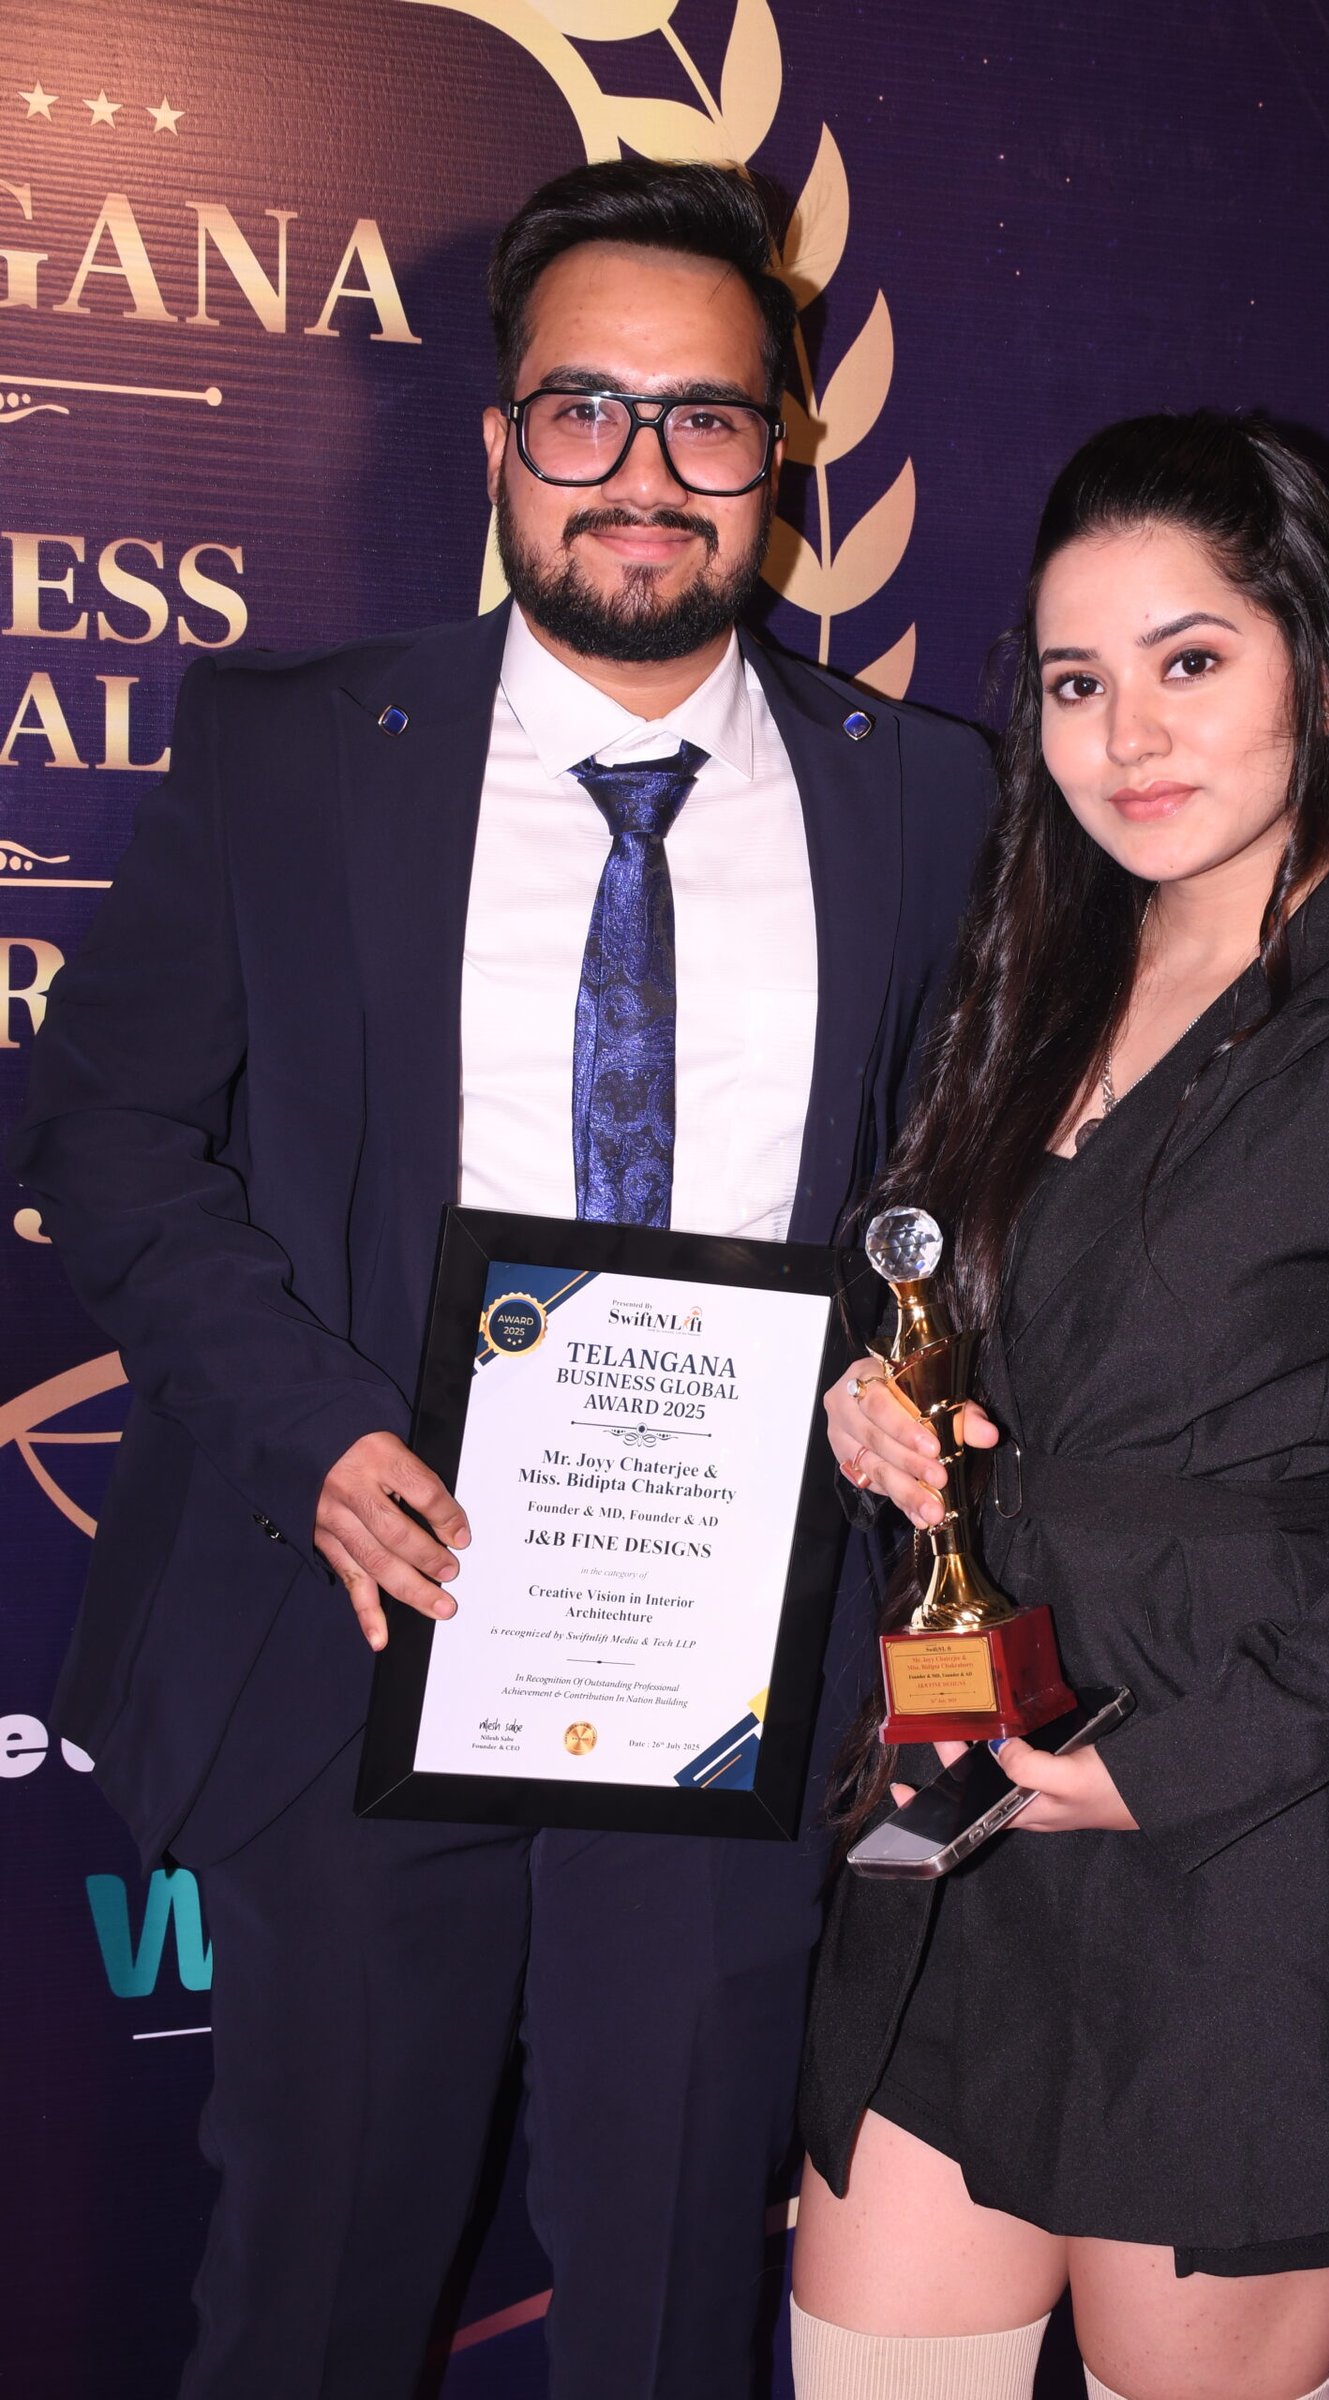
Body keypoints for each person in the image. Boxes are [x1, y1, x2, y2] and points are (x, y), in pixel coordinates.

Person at [10, 163, 993, 2399]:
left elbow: (954, 1203)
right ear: (497, 440)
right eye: (582, 411)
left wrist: (899, 1377)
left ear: (780, 455)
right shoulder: (290, 752)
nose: (643, 473)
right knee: (313, 2304)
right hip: (364, 1627)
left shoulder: (928, 800)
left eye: (705, 417)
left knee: (668, 2304)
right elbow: (109, 1136)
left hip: (732, 1653)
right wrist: (316, 1433)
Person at [790, 411, 1329, 2400]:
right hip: (963, 1822)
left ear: (1317, 667)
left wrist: (1180, 1761)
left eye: (1190, 660)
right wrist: (871, 1406)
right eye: (1077, 683)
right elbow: (938, 1307)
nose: (1128, 735)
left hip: (1246, 1852)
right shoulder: (1028, 970)